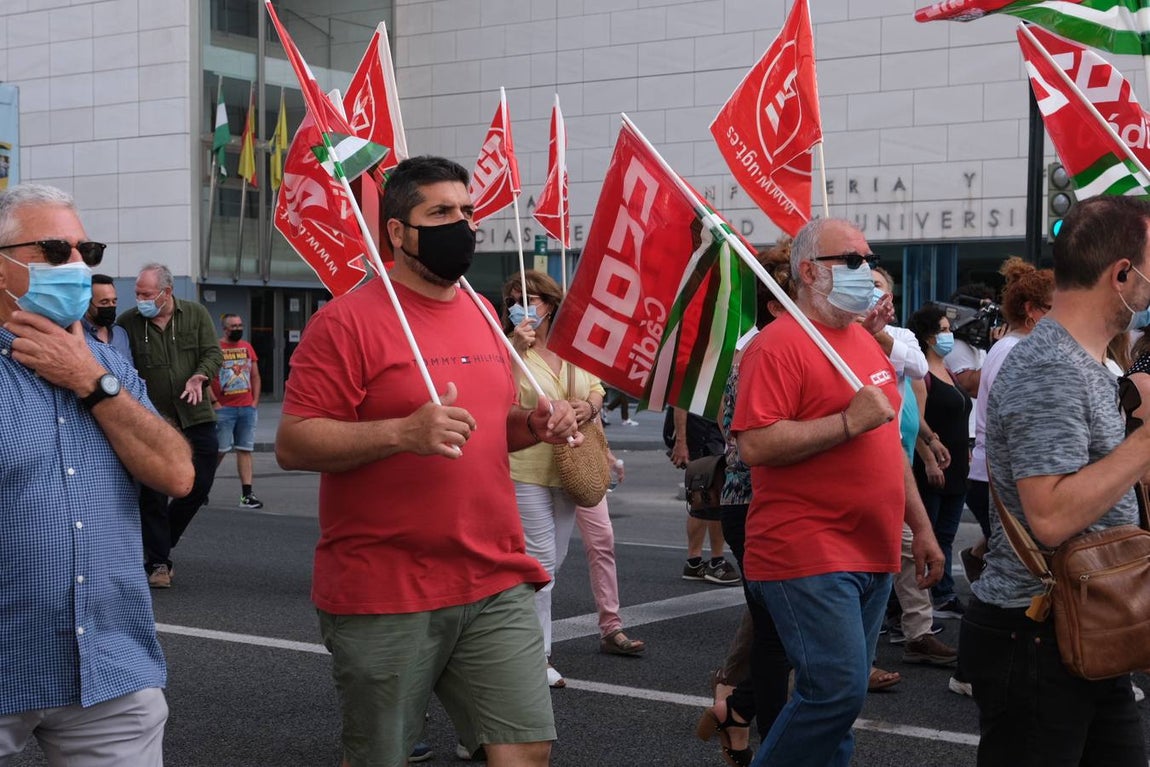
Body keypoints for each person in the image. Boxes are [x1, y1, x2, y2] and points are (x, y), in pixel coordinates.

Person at [275, 156, 577, 767]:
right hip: (386, 587)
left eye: (467, 211)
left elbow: (485, 430)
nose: (461, 225)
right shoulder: (343, 323)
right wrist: (401, 433)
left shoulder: (480, 310)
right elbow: (294, 442)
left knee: (526, 748)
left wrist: (534, 425)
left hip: (493, 574)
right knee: (380, 756)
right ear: (395, 231)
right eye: (440, 213)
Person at [732, 217, 944, 767]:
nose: (867, 272)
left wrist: (919, 528)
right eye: (851, 261)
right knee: (837, 691)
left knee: (835, 707)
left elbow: (889, 451)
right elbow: (756, 444)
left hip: (872, 550)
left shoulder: (863, 343)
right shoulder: (776, 346)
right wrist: (846, 423)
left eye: (869, 259)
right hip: (807, 549)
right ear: (808, 271)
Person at [0, 183, 194, 765]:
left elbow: (177, 473)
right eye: (56, 251)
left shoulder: (110, 364)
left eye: (88, 251)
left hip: (110, 664)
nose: (78, 266)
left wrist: (91, 381)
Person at [961, 195, 1150, 766]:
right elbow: (1050, 517)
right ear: (1122, 275)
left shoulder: (1087, 363)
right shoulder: (1051, 367)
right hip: (1038, 630)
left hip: (1085, 619)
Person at [503, 278, 646, 665]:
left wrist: (589, 407)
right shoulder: (509, 349)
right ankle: (537, 659)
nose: (519, 307)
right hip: (527, 467)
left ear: (550, 304)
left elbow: (596, 388)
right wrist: (515, 347)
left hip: (572, 465)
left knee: (555, 560)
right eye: (512, 301)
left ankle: (515, 641)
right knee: (541, 564)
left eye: (527, 300)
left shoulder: (574, 348)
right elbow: (500, 396)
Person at [950, 256, 1053, 698]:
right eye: (1054, 309)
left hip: (989, 469)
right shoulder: (1017, 349)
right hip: (995, 470)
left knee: (1006, 567)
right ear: (1032, 310)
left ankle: (978, 667)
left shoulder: (1007, 345)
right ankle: (975, 669)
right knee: (1010, 573)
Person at [870, 268, 956, 672]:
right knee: (895, 549)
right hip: (866, 462)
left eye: (877, 286)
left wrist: (928, 440)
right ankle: (909, 634)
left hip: (896, 459)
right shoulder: (837, 334)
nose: (870, 292)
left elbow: (917, 369)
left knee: (903, 548)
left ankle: (912, 633)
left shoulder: (900, 336)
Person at [118, 263, 222, 589]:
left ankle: (160, 542)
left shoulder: (195, 315)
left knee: (199, 486)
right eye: (137, 293)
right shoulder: (129, 324)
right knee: (153, 495)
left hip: (195, 416)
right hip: (153, 421)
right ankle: (159, 561)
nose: (140, 299)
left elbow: (213, 353)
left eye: (146, 294)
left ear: (166, 292)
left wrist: (200, 375)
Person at [908, 305, 972, 622]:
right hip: (932, 468)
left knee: (945, 535)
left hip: (957, 466)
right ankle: (921, 597)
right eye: (944, 330)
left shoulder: (948, 371)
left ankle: (943, 592)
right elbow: (914, 421)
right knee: (928, 534)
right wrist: (930, 458)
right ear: (929, 337)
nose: (949, 335)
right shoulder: (922, 374)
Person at [669, 406, 740, 585]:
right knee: (711, 497)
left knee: (702, 498)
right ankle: (714, 561)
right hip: (701, 432)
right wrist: (681, 442)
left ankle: (695, 562)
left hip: (707, 432)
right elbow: (681, 401)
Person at [210, 313, 263, 509]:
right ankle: (202, 487)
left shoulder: (247, 347)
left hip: (247, 408)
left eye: (240, 325)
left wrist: (255, 401)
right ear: (225, 329)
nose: (238, 328)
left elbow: (255, 375)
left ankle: (247, 495)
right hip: (224, 410)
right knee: (220, 451)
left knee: (245, 449)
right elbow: (205, 376)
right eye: (233, 326)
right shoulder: (215, 348)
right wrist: (215, 403)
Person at [82, 273, 133, 363]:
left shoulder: (120, 333)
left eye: (114, 301)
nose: (110, 306)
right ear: (87, 303)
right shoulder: (77, 334)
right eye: (104, 302)